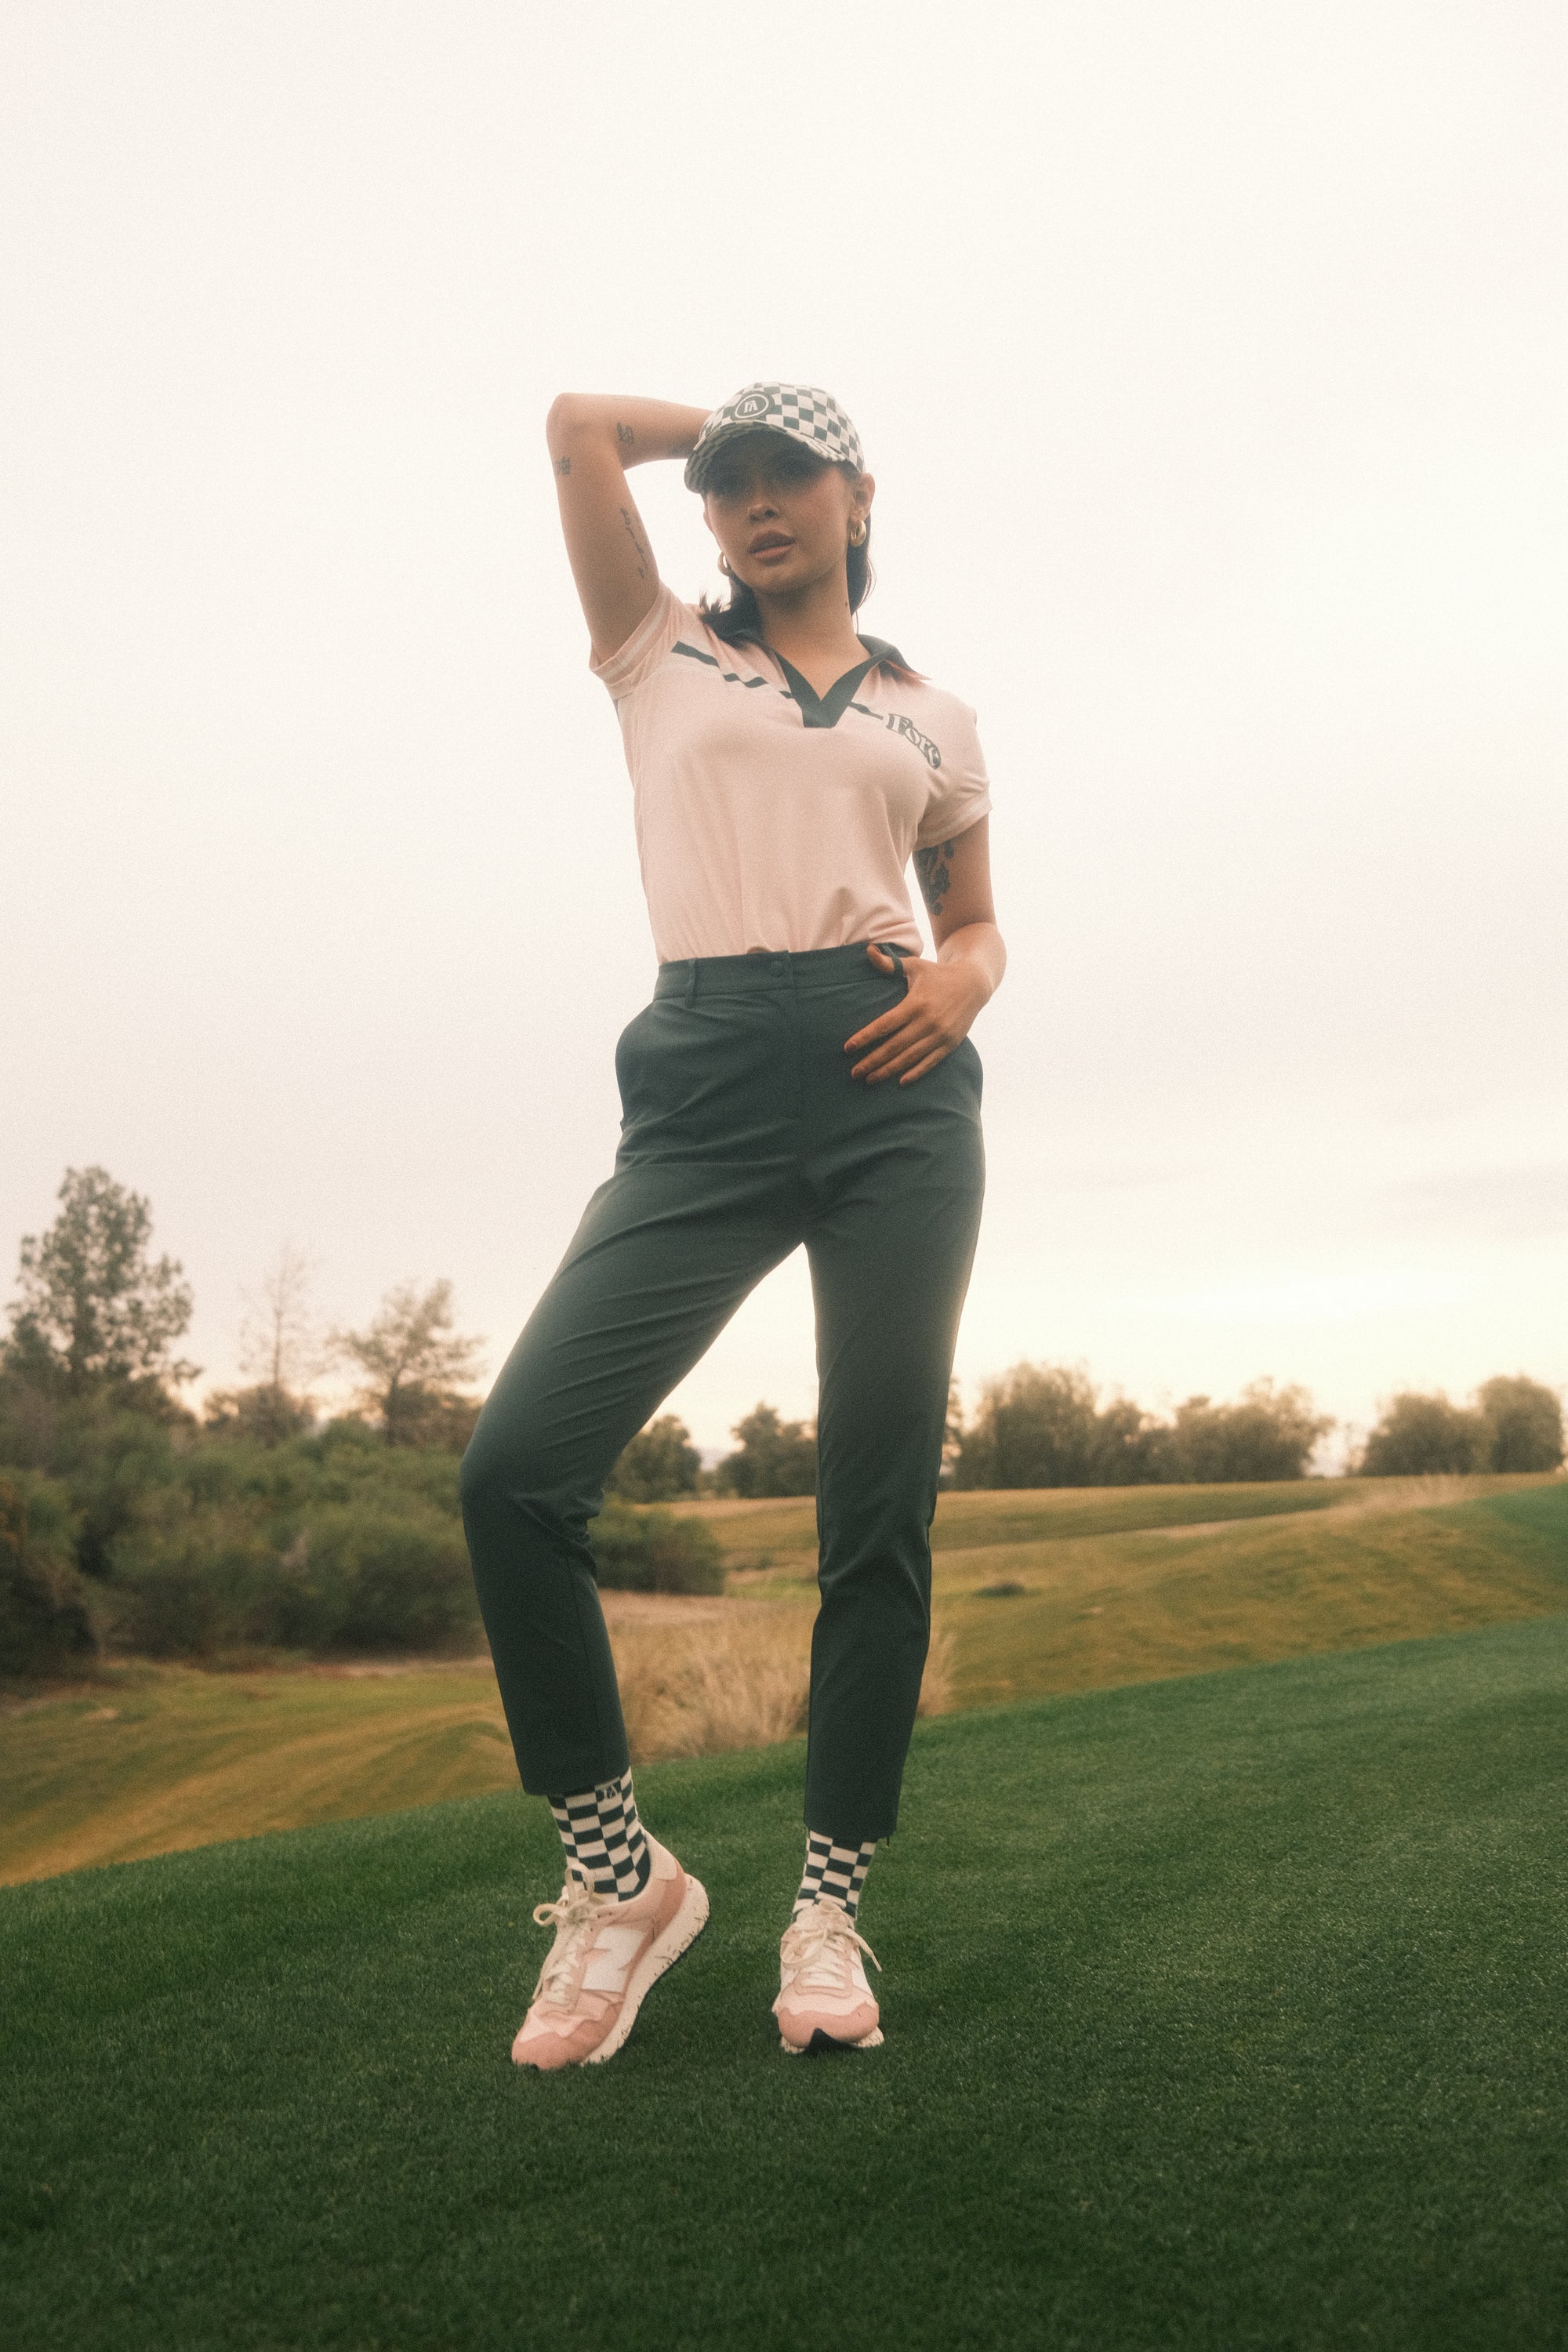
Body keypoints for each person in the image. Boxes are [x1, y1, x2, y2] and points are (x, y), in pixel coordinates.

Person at [460, 383, 1006, 2068]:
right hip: (698, 1088)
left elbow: (975, 920)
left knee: (875, 1505)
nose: (758, 503)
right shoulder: (656, 648)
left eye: (794, 476)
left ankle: (828, 1906)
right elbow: (567, 426)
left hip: (894, 1095)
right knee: (516, 1471)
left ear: (857, 496)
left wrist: (965, 982)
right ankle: (619, 1882)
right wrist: (735, 409)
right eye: (731, 484)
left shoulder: (934, 715)